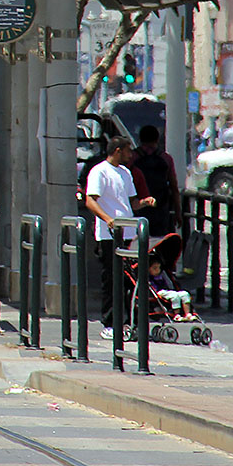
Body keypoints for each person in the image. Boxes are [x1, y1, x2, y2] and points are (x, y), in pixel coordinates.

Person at [85, 135, 157, 340]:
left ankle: (126, 321)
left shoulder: (125, 172)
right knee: (111, 277)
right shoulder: (99, 171)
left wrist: (144, 202)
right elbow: (91, 200)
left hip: (127, 232)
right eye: (127, 150)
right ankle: (109, 322)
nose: (131, 154)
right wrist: (107, 219)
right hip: (109, 234)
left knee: (127, 279)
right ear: (117, 151)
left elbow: (130, 203)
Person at [131, 125, 181, 238]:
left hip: (138, 206)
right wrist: (178, 212)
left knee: (139, 240)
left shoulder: (132, 157)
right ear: (157, 139)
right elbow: (174, 187)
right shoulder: (166, 158)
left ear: (140, 139)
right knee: (161, 241)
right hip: (161, 208)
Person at [147, 254, 197, 321]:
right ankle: (177, 314)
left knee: (185, 294)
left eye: (159, 268)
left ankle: (188, 313)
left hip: (168, 290)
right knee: (175, 296)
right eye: (154, 268)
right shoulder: (149, 277)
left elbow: (169, 283)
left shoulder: (163, 274)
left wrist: (173, 288)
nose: (157, 270)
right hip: (159, 291)